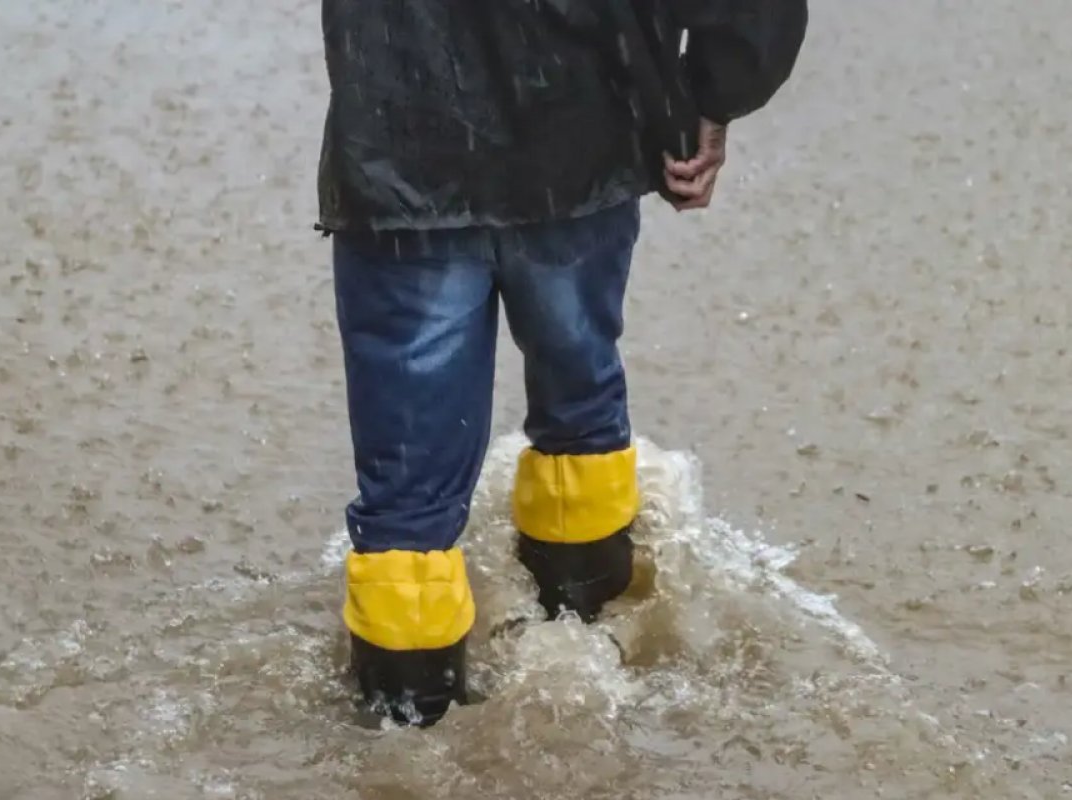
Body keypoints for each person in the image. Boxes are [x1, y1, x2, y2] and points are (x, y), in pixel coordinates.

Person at [316, 0, 807, 726]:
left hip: (400, 150)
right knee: (580, 408)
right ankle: (588, 645)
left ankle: (405, 726)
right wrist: (711, 97)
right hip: (580, 142)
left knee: (407, 502)